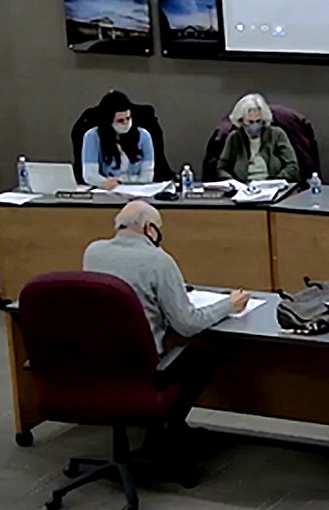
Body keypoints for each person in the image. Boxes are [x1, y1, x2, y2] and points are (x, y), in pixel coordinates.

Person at [83, 201, 249, 435]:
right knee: (201, 361)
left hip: (99, 361)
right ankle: (170, 429)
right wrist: (228, 305)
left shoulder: (93, 251)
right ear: (150, 229)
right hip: (142, 364)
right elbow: (187, 324)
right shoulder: (159, 260)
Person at [215, 93, 300, 183]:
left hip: (273, 186)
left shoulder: (277, 135)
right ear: (241, 121)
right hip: (244, 188)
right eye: (250, 122)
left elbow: (292, 166)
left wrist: (274, 182)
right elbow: (221, 169)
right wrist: (233, 183)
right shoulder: (234, 138)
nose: (255, 125)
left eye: (258, 121)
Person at [80, 90, 156, 190]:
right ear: (108, 121)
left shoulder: (144, 136)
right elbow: (90, 175)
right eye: (120, 121)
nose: (126, 123)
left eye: (128, 118)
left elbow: (147, 176)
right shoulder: (92, 136)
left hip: (136, 192)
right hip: (106, 192)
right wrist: (103, 182)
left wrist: (122, 182)